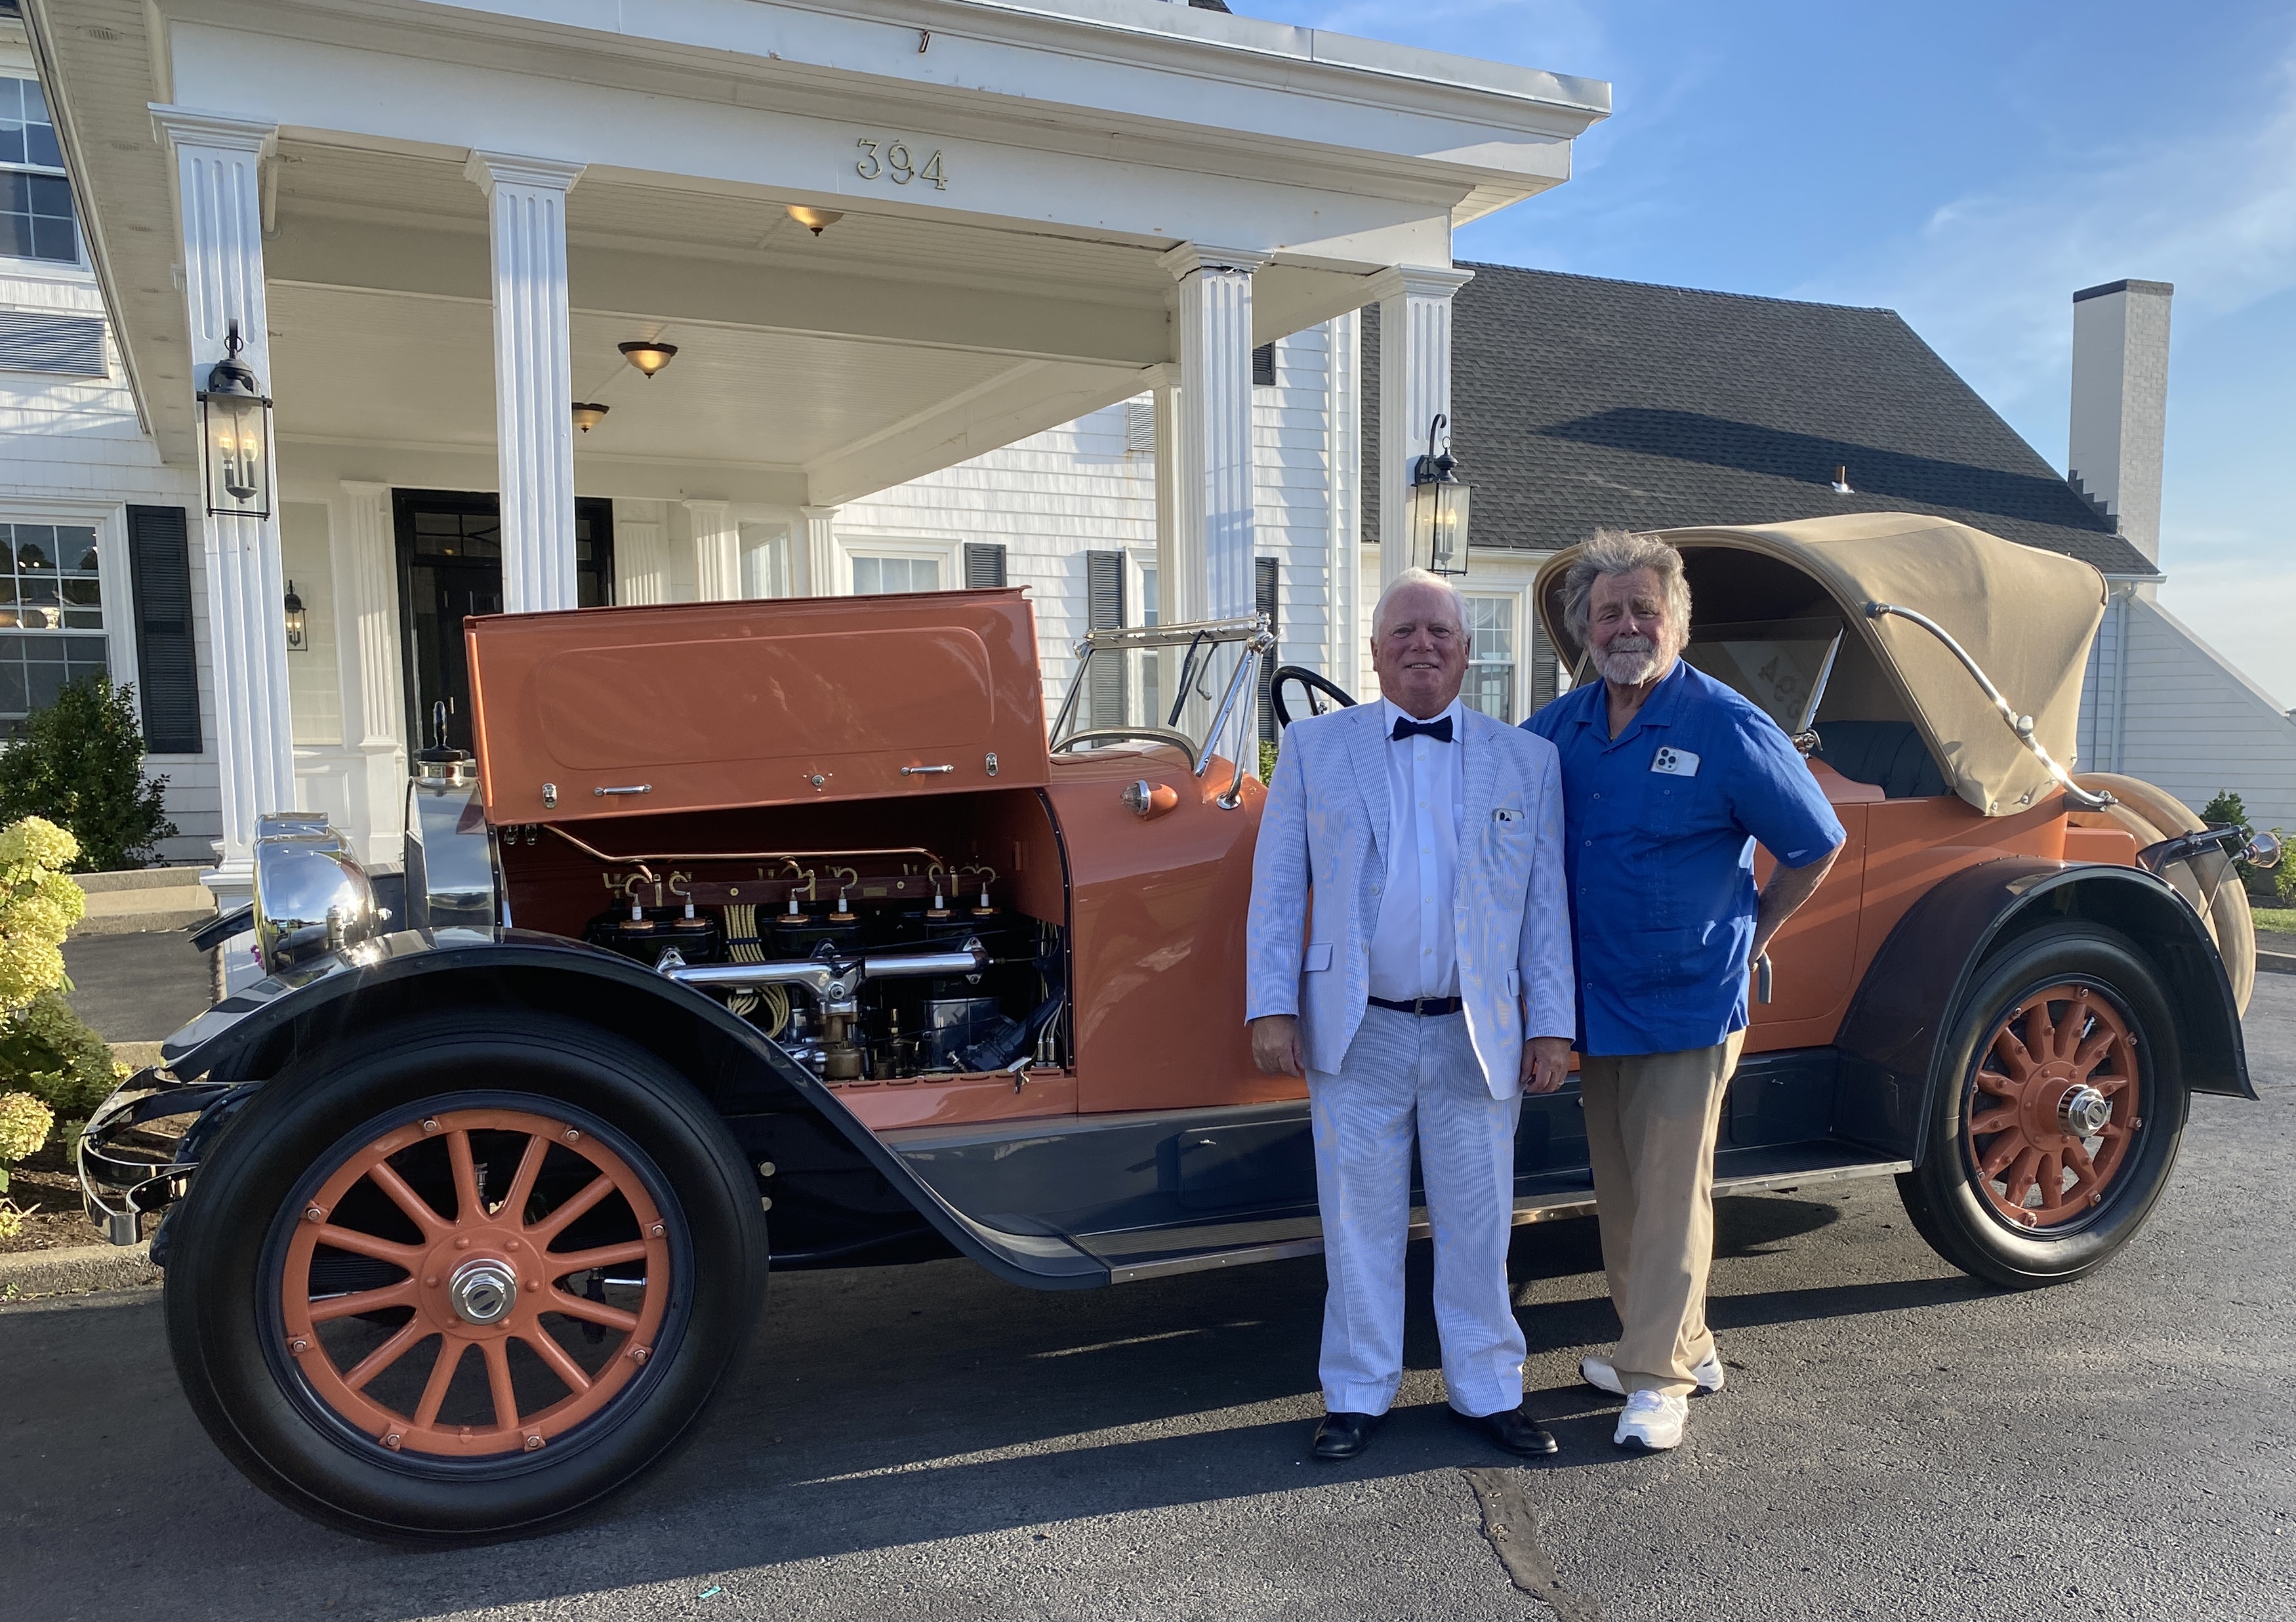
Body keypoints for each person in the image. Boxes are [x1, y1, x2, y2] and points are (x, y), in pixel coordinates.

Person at [1525, 530, 1845, 1453]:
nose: (1626, 626)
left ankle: (1657, 1379)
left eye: (1643, 610)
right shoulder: (1564, 727)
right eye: (1608, 612)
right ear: (1586, 628)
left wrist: (1755, 933)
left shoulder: (1726, 723)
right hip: (1596, 1002)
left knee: (1671, 1191)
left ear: (1676, 623)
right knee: (1623, 1190)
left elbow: (1815, 844)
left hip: (1689, 998)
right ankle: (1677, 1344)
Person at [1247, 568, 1574, 1462]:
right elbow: (1278, 889)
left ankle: (1488, 1389)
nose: (1422, 645)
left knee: (1479, 1220)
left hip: (1478, 1032)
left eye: (1440, 631)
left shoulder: (1526, 760)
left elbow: (1545, 906)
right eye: (1404, 631)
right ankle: (1355, 1393)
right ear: (1374, 651)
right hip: (1359, 1027)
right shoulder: (1316, 750)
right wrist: (1271, 1006)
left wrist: (1552, 1024)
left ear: (1468, 652)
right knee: (1358, 1224)